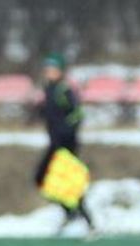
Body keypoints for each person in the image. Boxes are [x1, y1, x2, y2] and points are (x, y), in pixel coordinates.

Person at [34, 52, 96, 235]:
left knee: (70, 182)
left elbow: (77, 114)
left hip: (66, 144)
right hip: (55, 143)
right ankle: (71, 214)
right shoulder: (48, 89)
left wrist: (65, 132)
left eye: (53, 69)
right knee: (43, 179)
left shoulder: (64, 89)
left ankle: (88, 221)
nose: (49, 72)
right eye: (47, 69)